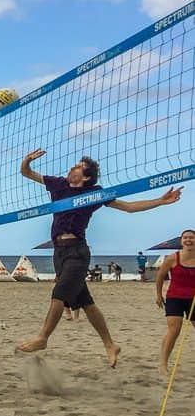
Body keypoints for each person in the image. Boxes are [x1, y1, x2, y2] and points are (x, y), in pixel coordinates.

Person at [15, 150, 182, 366]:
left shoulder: (94, 193)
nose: (72, 166)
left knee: (59, 293)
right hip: (59, 252)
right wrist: (27, 160)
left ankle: (43, 338)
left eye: (78, 166)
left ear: (85, 177)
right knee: (86, 303)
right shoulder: (58, 184)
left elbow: (128, 207)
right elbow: (26, 173)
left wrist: (159, 201)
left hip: (77, 251)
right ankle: (111, 345)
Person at [155, 229, 195, 376]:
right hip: (175, 298)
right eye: (185, 238)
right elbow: (160, 276)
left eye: (191, 238)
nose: (188, 240)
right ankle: (163, 363)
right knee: (174, 330)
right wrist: (159, 295)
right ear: (181, 241)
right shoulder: (173, 258)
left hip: (193, 299)